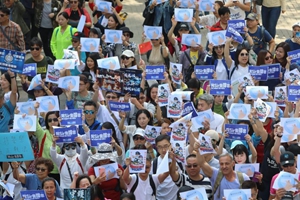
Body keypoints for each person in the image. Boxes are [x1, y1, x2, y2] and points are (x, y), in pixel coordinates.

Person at [151, 135, 178, 200]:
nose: (163, 150)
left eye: (166, 146)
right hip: (159, 197)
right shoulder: (154, 163)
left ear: (170, 145)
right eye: (160, 147)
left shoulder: (178, 160)